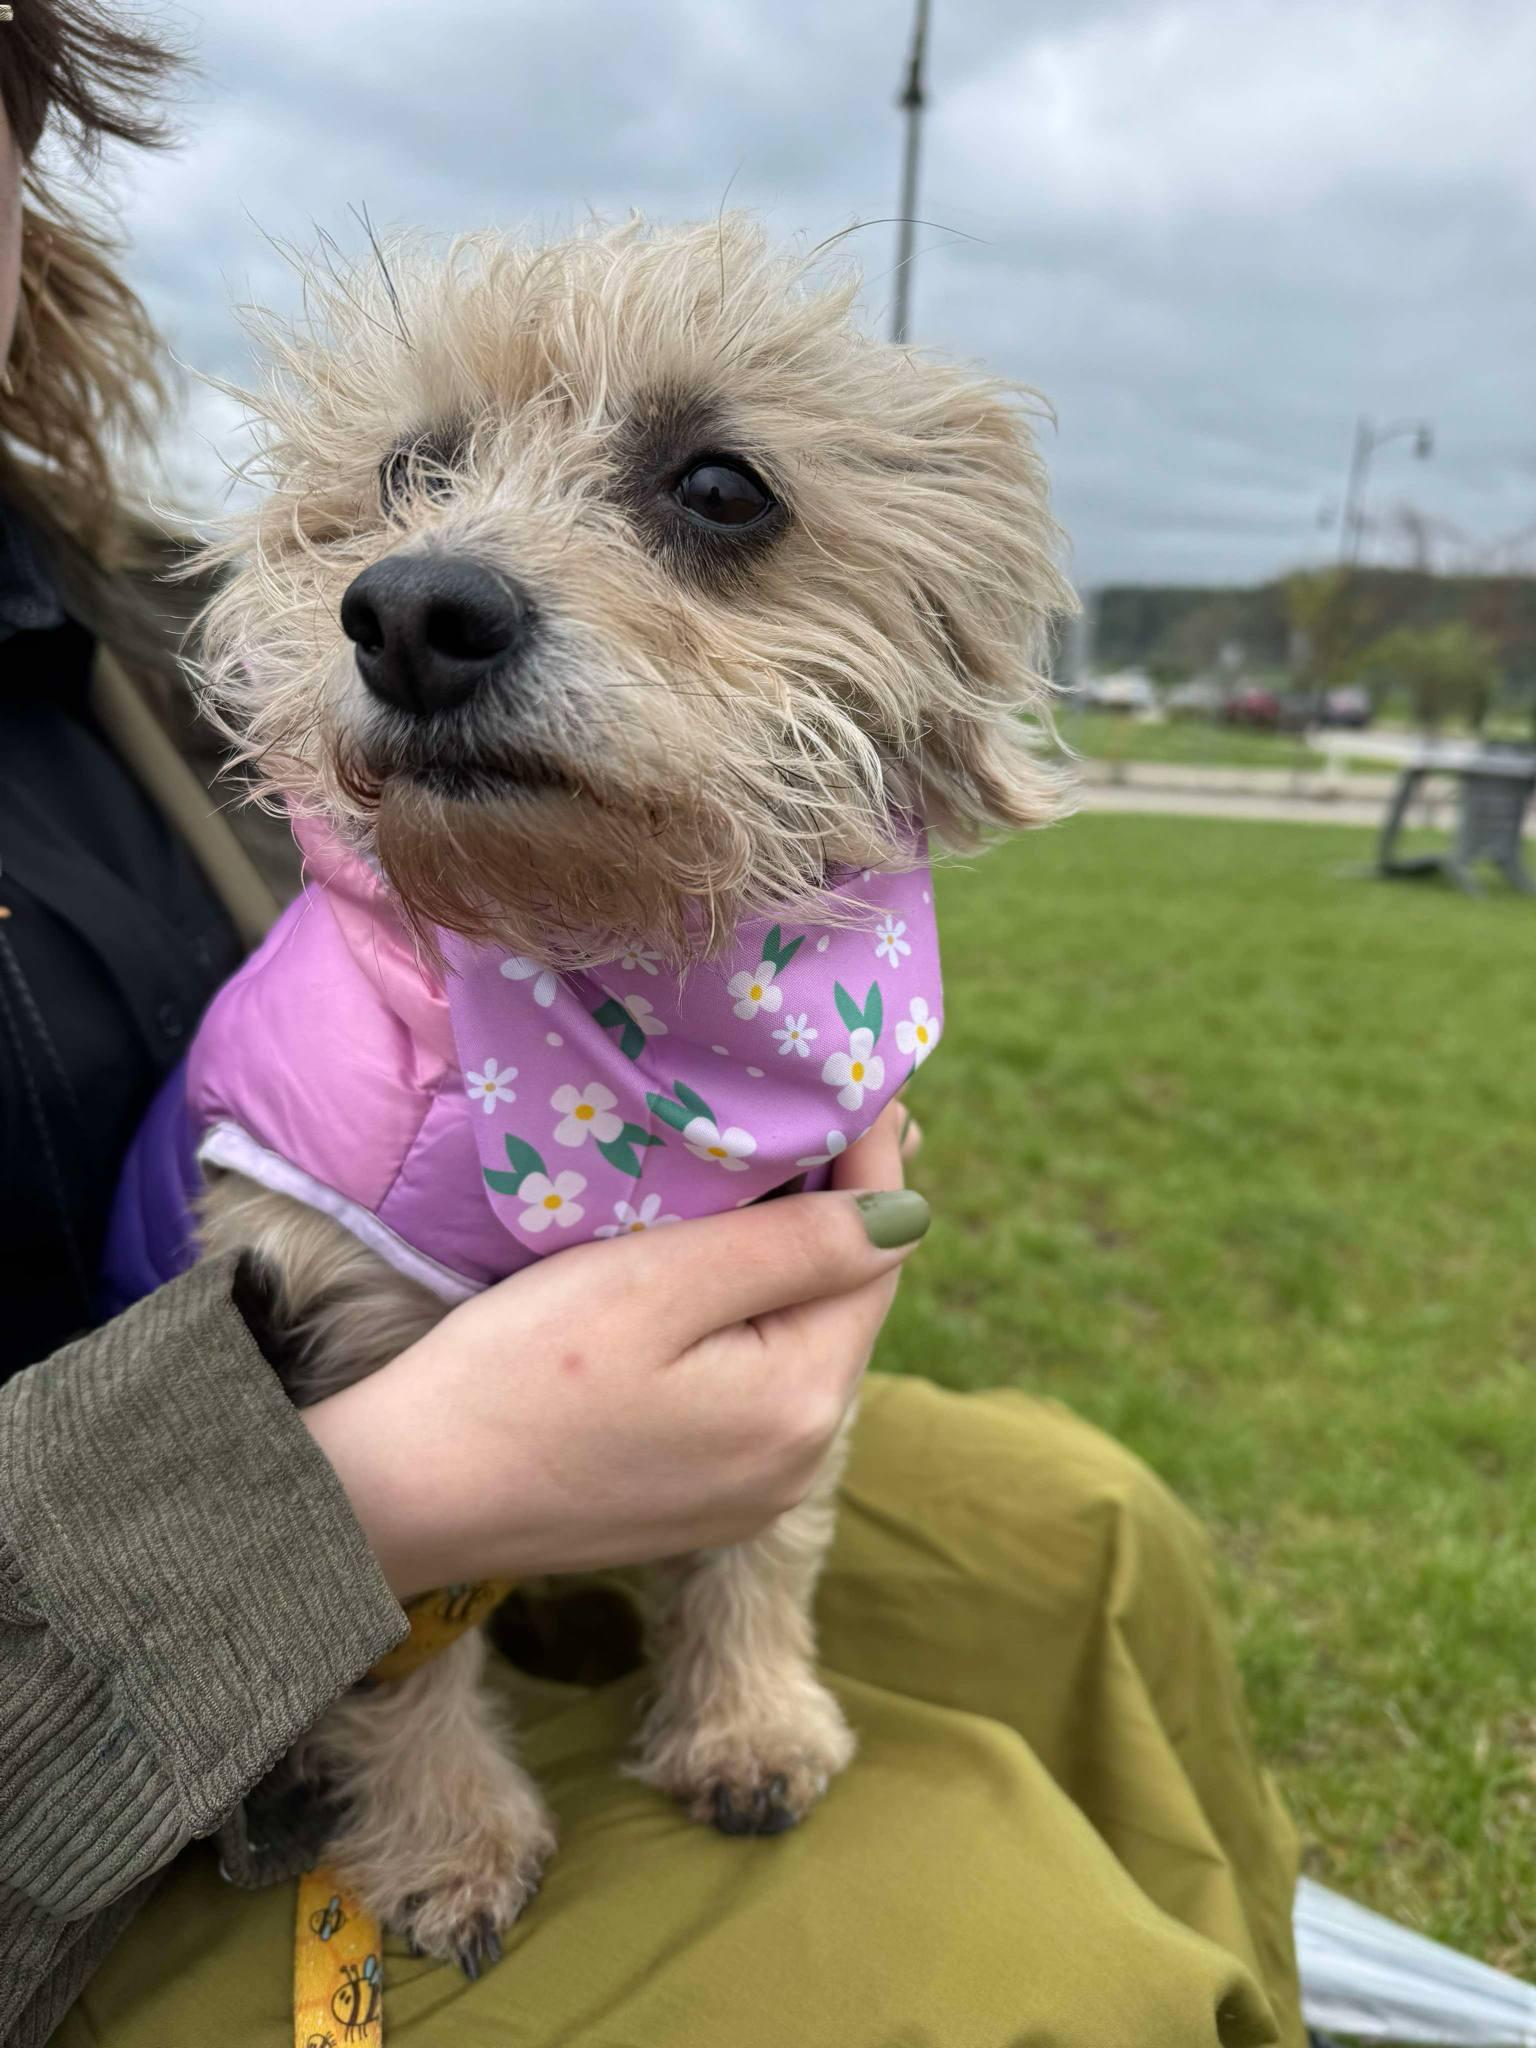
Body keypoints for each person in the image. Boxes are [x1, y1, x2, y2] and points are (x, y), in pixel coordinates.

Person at [0, 8, 1306, 2045]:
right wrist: (393, 1499)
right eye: (412, 484)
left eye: (711, 493)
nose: (434, 578)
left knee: (1105, 1534)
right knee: (1021, 1968)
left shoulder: (90, 606)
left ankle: (743, 1668)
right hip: (123, 1661)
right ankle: (450, 1761)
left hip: (446, 1469)